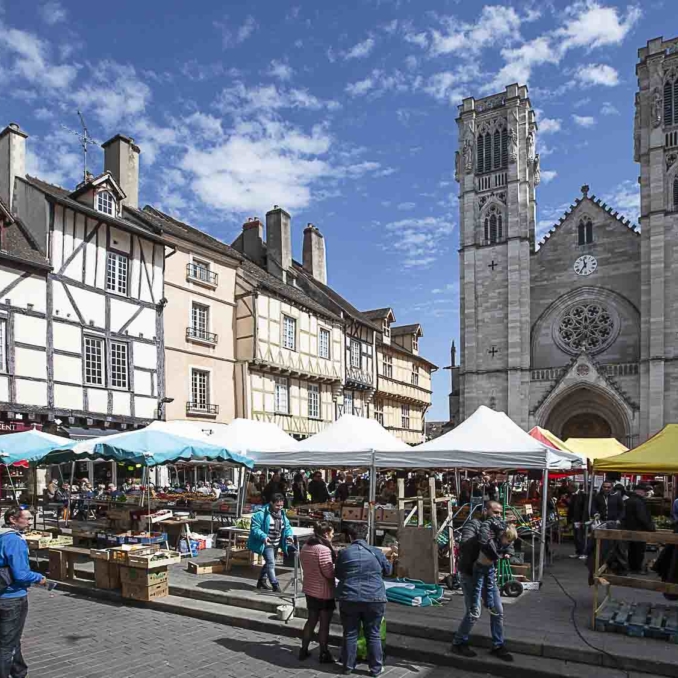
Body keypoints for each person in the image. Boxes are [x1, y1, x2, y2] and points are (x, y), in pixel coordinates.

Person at [452, 500, 513, 662]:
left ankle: (498, 645)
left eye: (501, 513)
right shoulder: (474, 524)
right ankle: (459, 642)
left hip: (488, 573)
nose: (499, 516)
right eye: (495, 512)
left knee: (497, 609)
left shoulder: (500, 526)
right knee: (474, 611)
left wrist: (507, 550)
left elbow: (510, 539)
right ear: (485, 511)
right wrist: (484, 536)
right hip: (470, 574)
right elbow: (464, 545)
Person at [335, 526, 392, 677]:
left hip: (349, 597)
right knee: (373, 633)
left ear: (349, 537)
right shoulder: (376, 552)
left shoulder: (344, 553)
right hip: (374, 597)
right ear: (367, 536)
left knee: (350, 633)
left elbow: (338, 573)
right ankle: (376, 669)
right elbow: (389, 570)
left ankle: (348, 667)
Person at [0, 507, 48, 678]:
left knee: (11, 638)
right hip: (11, 597)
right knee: (6, 645)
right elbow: (21, 574)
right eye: (26, 519)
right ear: (13, 519)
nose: (29, 522)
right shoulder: (14, 540)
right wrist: (39, 577)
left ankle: (19, 672)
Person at [299, 521, 336, 664]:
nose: (332, 537)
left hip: (310, 589)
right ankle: (324, 652)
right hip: (324, 591)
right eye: (332, 534)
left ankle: (303, 649)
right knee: (324, 624)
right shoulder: (323, 550)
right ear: (326, 534)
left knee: (311, 620)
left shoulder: (306, 546)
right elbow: (329, 573)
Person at [246, 494, 295, 593]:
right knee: (271, 563)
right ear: (271, 503)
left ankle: (261, 581)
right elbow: (255, 529)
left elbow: (287, 526)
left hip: (276, 542)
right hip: (266, 543)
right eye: (277, 505)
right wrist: (263, 536)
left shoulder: (282, 514)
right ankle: (275, 585)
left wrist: (289, 535)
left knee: (269, 563)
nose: (279, 508)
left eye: (281, 505)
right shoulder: (260, 514)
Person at [622, 484, 655, 573]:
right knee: (638, 550)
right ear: (639, 491)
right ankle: (636, 568)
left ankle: (631, 567)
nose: (645, 493)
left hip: (630, 529)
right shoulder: (639, 502)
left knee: (632, 550)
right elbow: (642, 517)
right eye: (644, 491)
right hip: (639, 530)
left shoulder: (628, 500)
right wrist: (651, 528)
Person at [567, 483, 588, 560]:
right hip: (575, 519)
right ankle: (578, 552)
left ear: (573, 487)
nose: (568, 489)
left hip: (579, 519)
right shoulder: (573, 495)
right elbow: (572, 507)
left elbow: (584, 509)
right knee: (576, 537)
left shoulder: (582, 495)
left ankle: (583, 552)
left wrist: (583, 520)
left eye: (569, 487)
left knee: (580, 536)